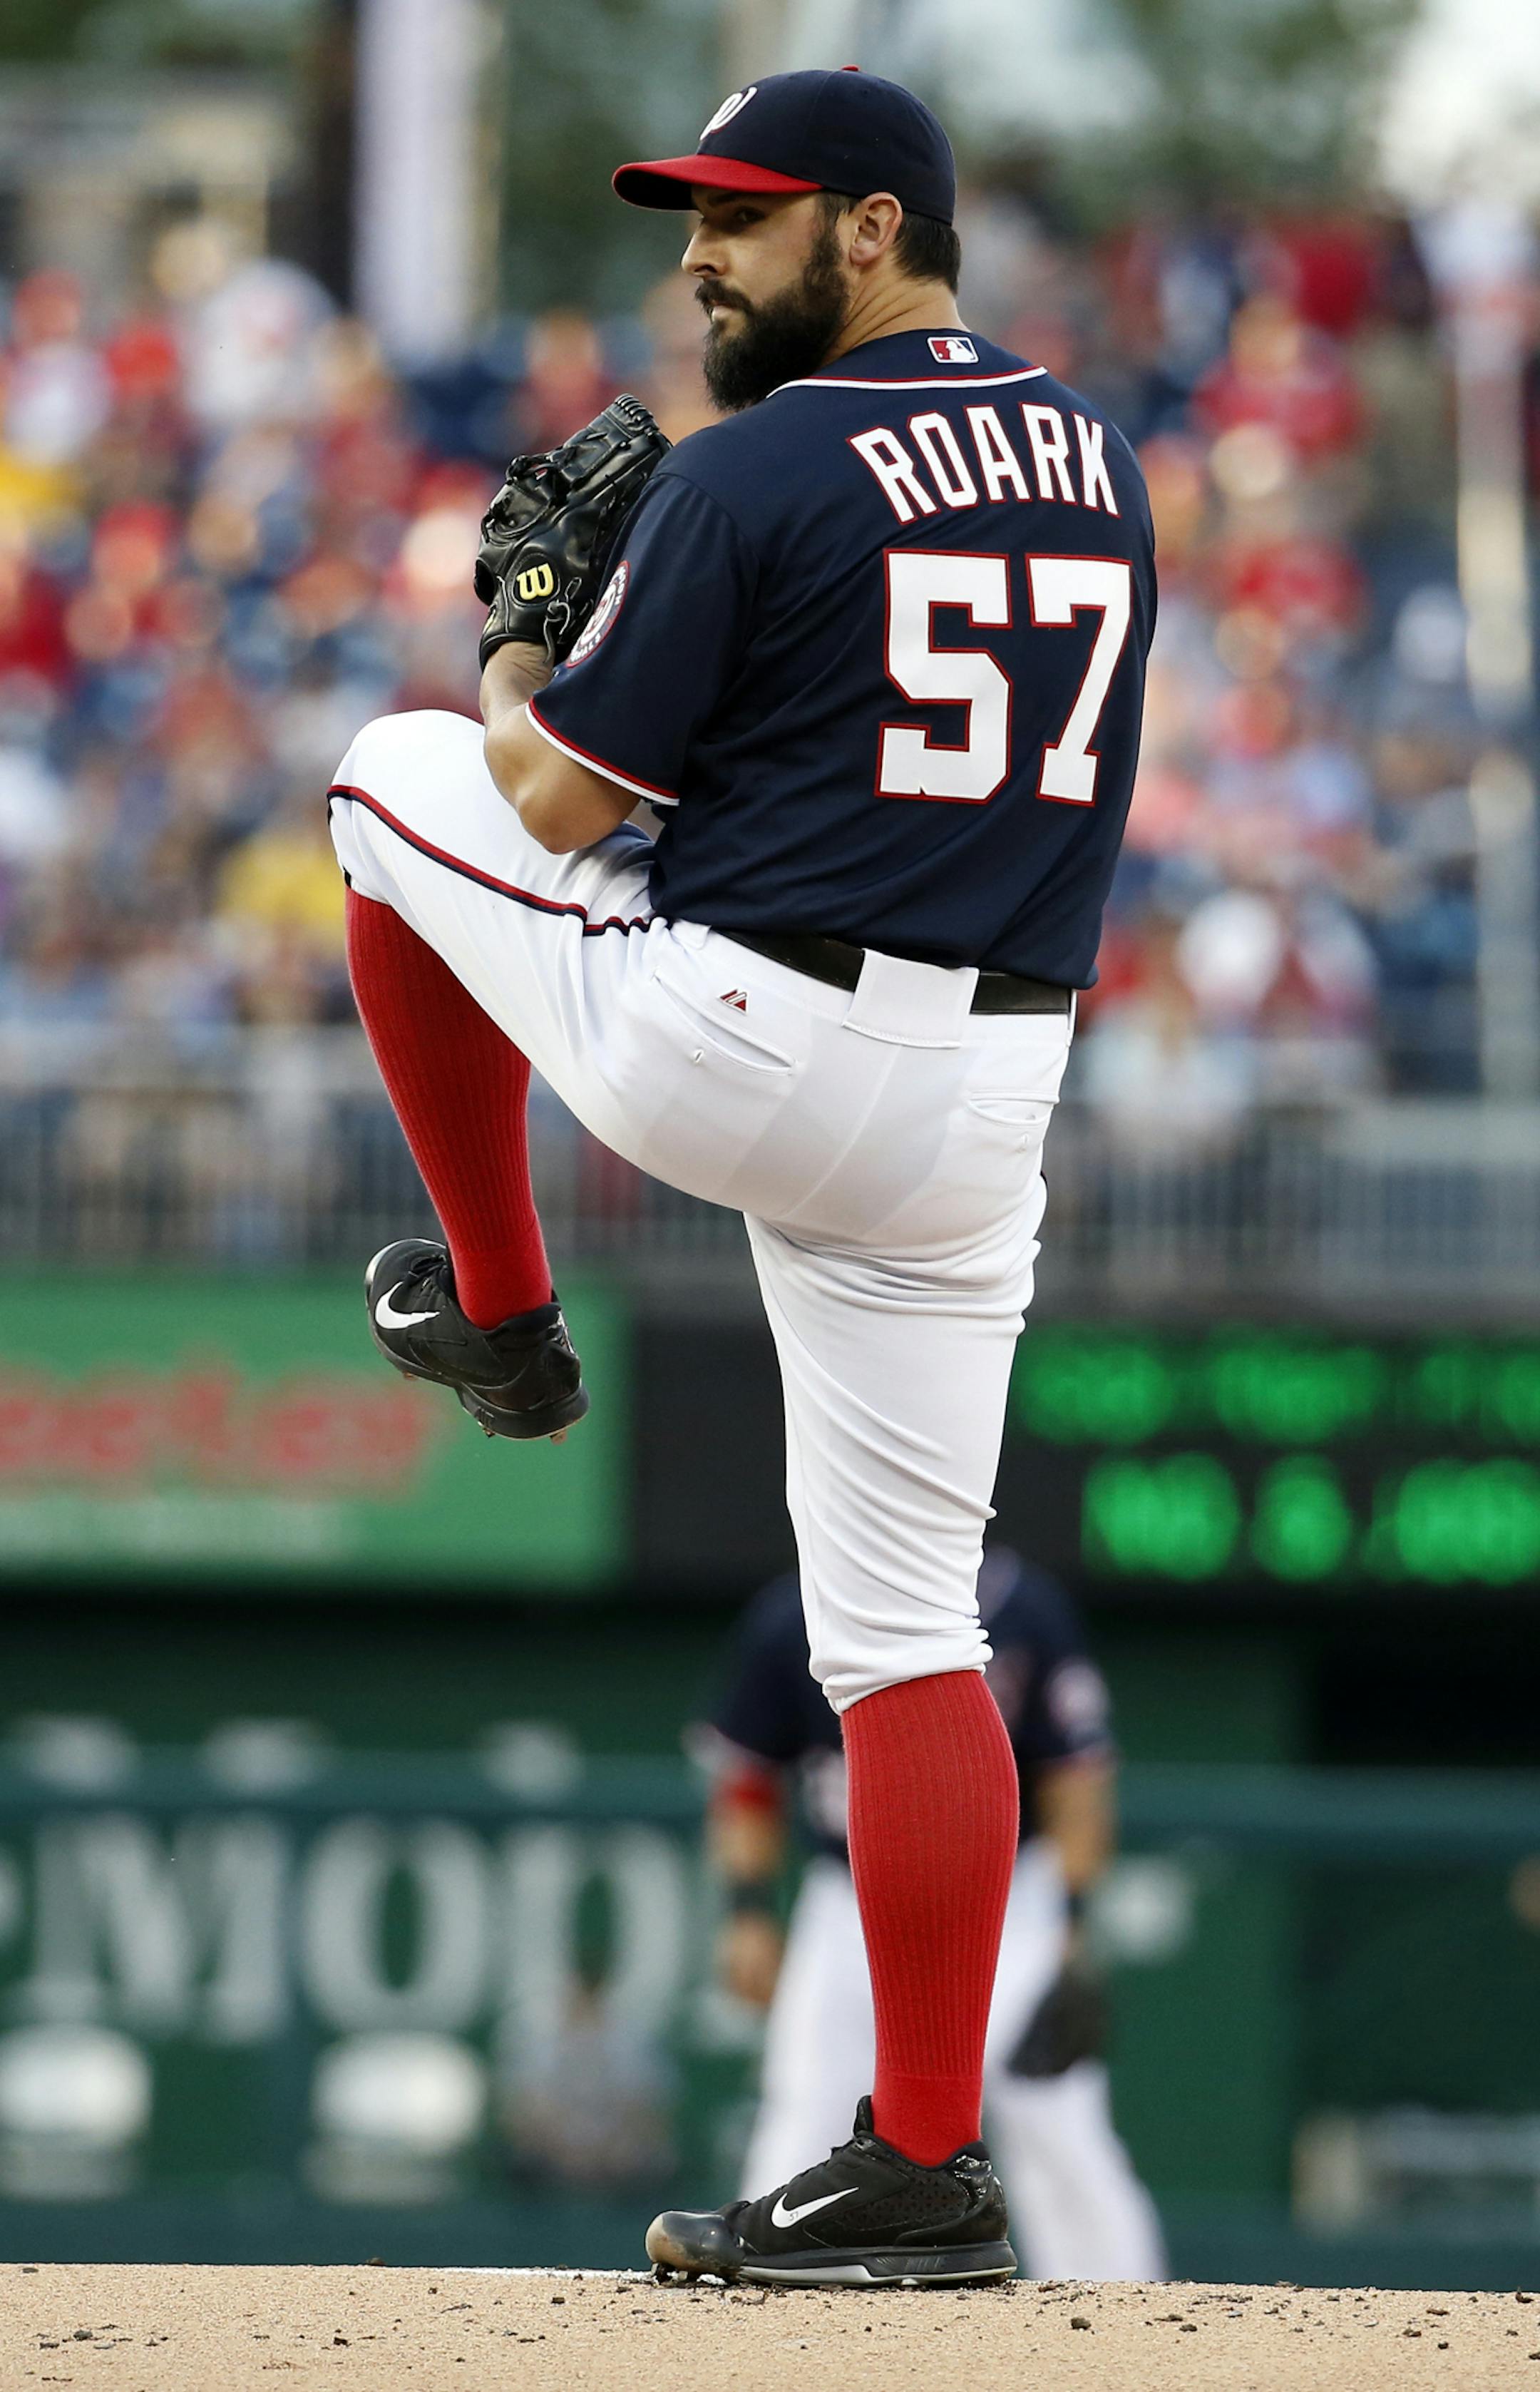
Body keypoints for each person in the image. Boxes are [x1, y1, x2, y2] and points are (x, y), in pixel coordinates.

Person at [327, 66, 1155, 2285]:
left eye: (747, 215)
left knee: (385, 781)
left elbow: (561, 797)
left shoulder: (763, 458)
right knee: (908, 1638)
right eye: (697, 212)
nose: (702, 248)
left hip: (750, 1040)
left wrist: (519, 624)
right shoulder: (1098, 455)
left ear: (871, 230)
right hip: (988, 1098)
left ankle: (499, 1308)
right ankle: (921, 2154)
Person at [702, 1549, 1166, 2282]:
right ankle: (767, 2303)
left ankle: (1129, 2315)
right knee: (806, 2109)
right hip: (846, 1898)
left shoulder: (1024, 1608)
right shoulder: (793, 1612)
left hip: (1012, 1897)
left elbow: (1079, 1778)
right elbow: (746, 1774)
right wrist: (749, 1913)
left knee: (1055, 2124)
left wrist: (1072, 1928)